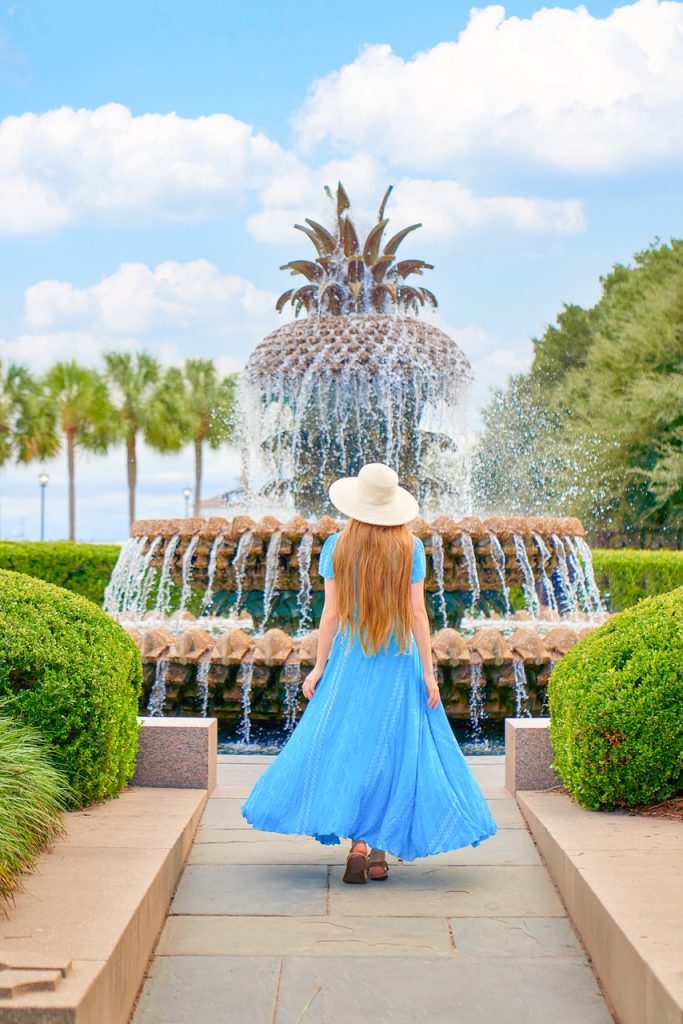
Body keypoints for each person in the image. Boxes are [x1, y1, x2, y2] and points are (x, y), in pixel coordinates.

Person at [241, 462, 498, 883]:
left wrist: (320, 667)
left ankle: (357, 844)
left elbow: (332, 614)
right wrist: (429, 674)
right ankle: (377, 854)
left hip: (350, 659)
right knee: (394, 751)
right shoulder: (410, 548)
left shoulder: (337, 547)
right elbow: (418, 614)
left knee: (352, 745)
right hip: (398, 661)